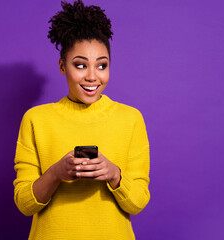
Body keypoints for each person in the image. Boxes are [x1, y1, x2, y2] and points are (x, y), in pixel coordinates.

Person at [13, 1, 150, 239]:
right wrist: (55, 173)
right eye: (80, 65)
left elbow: (137, 204)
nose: (92, 76)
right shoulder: (36, 119)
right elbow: (25, 205)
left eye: (101, 65)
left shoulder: (131, 119)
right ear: (62, 66)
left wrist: (114, 173)